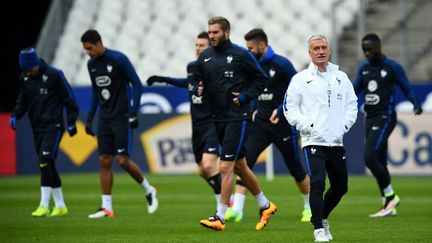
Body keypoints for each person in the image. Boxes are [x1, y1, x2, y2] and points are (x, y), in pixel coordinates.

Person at [197, 16, 277, 231]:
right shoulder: (204, 57)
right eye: (210, 32)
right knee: (241, 165)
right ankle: (265, 205)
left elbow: (261, 80)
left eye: (215, 32)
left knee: (225, 166)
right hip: (218, 118)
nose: (212, 36)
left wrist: (244, 97)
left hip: (238, 117)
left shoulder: (241, 54)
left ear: (226, 32)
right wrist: (201, 89)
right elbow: (203, 82)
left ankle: (220, 217)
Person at [225, 28, 311, 223]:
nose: (248, 51)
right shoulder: (251, 65)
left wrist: (281, 109)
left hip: (283, 125)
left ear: (262, 46)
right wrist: (252, 106)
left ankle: (309, 207)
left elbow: (299, 90)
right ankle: (237, 208)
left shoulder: (282, 64)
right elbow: (252, 90)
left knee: (295, 168)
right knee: (244, 164)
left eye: (251, 48)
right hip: (261, 124)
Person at [283, 34, 357, 242]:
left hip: (335, 141)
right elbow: (289, 108)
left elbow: (352, 104)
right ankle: (318, 230)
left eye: (324, 47)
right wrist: (307, 125)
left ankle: (322, 217)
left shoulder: (341, 78)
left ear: (329, 50)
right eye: (316, 48)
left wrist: (343, 125)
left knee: (341, 187)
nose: (321, 51)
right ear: (309, 53)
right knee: (317, 181)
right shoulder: (300, 79)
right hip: (312, 140)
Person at [80, 29, 158, 218]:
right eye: (85, 50)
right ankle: (107, 207)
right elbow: (96, 92)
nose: (88, 52)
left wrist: (134, 111)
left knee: (122, 160)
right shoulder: (91, 65)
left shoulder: (118, 59)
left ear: (99, 44)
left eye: (90, 48)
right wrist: (90, 118)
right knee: (104, 160)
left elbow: (137, 85)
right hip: (105, 118)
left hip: (121, 116)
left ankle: (149, 190)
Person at [146, 32, 221, 209]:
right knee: (202, 170)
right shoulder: (192, 66)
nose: (197, 48)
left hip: (213, 123)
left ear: (210, 47)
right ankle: (227, 194)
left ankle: (222, 206)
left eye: (201, 46)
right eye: (196, 45)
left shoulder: (216, 67)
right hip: (197, 125)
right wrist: (163, 79)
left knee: (209, 164)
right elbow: (187, 83)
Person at [353, 33, 423, 218]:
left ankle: (391, 196)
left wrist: (415, 104)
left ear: (379, 46)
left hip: (385, 117)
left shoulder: (392, 67)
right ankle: (388, 202)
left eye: (370, 49)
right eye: (364, 50)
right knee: (380, 160)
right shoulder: (364, 68)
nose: (367, 53)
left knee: (369, 157)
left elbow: (407, 88)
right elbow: (354, 91)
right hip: (369, 118)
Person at [9, 47, 79, 217]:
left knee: (44, 159)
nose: (29, 73)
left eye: (30, 69)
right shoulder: (24, 78)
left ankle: (44, 205)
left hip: (53, 126)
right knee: (48, 165)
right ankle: (61, 205)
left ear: (36, 64)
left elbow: (69, 99)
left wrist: (70, 122)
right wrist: (15, 115)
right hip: (37, 127)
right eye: (25, 71)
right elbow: (22, 100)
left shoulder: (54, 75)